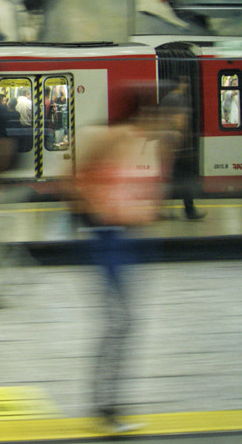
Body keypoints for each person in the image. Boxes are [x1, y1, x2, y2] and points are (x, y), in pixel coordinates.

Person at [72, 84, 164, 434]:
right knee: (120, 323)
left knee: (121, 323)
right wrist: (115, 212)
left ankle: (108, 404)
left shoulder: (133, 140)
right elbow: (82, 184)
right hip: (110, 240)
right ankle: (106, 406)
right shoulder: (118, 138)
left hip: (122, 240)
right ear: (145, 113)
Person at [159, 78, 204, 220]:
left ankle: (168, 210)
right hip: (180, 147)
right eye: (185, 82)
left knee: (173, 179)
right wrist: (183, 141)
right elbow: (180, 121)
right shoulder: (178, 99)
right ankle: (189, 210)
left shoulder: (166, 99)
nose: (187, 85)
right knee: (184, 179)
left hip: (170, 144)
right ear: (180, 84)